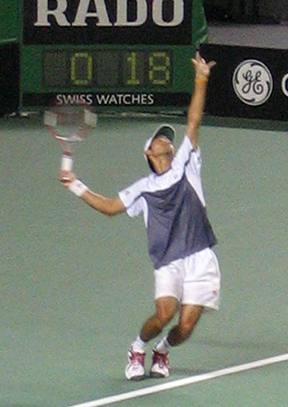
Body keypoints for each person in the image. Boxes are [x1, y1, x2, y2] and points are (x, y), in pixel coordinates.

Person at [60, 52, 221, 380]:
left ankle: (162, 350)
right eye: (161, 138)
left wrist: (201, 79)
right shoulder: (143, 188)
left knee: (185, 327)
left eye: (169, 140)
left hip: (201, 256)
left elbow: (193, 121)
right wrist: (75, 184)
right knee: (165, 313)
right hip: (167, 260)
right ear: (149, 152)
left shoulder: (187, 164)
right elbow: (109, 207)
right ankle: (137, 346)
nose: (168, 141)